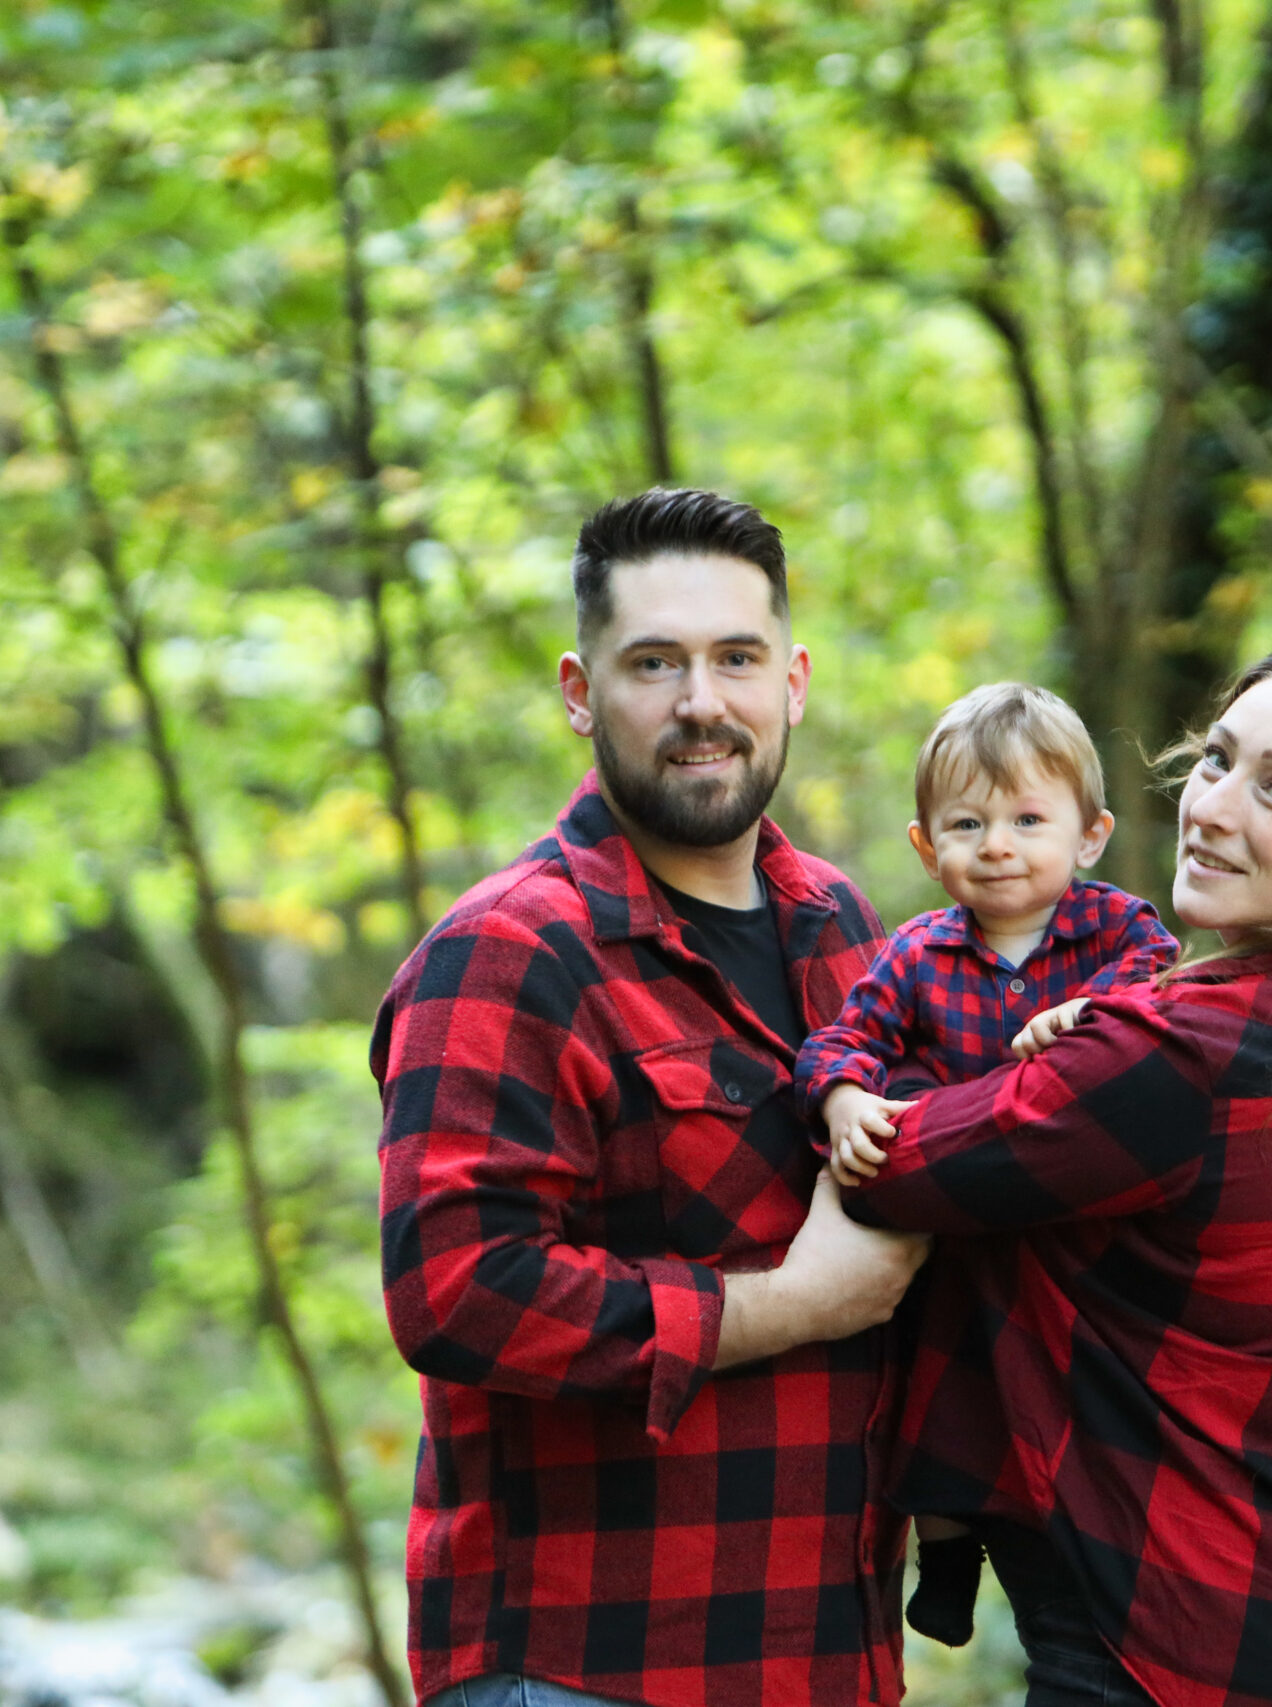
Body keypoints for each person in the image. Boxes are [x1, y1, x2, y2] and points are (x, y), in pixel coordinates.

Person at [839, 644, 1272, 1707]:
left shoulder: (1188, 1056)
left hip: (1182, 1649)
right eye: (1216, 761)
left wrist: (863, 1073)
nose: (1211, 808)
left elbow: (897, 1167)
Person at [372, 488, 932, 1707]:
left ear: (792, 681)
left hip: (824, 1656)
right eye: (654, 664)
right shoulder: (513, 952)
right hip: (584, 1668)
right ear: (580, 692)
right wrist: (791, 1306)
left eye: (737, 659)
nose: (701, 704)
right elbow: (456, 1291)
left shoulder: (841, 927)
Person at [793, 681, 1179, 1646]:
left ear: (1088, 836)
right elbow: (842, 1041)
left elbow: (1163, 996)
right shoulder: (918, 954)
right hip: (960, 1226)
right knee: (940, 1381)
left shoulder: (1118, 931)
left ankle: (1080, 1527)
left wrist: (1090, 1018)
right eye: (966, 823)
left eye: (1027, 819)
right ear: (928, 848)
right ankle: (948, 1553)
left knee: (1074, 1383)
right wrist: (844, 1101)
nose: (997, 843)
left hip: (1076, 1229)